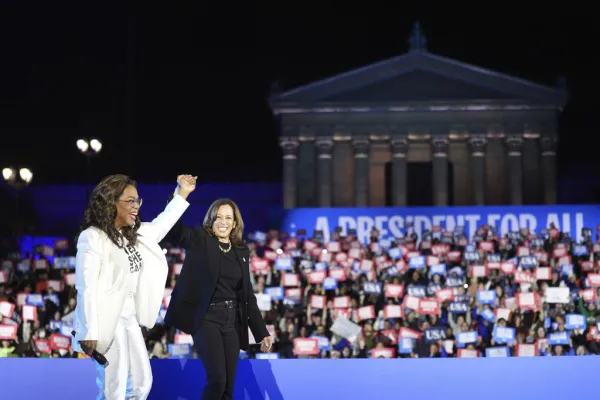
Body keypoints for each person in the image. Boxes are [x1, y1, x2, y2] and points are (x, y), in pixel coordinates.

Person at [71, 174, 197, 400]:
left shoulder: (134, 235)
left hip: (130, 319)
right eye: (130, 201)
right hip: (106, 322)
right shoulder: (92, 237)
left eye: (138, 201)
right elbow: (85, 286)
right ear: (111, 202)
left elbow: (162, 223)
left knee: (142, 384)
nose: (136, 206)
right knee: (114, 389)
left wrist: (183, 192)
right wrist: (89, 330)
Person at [164, 189, 272, 400]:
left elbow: (247, 295)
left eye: (228, 218)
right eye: (219, 217)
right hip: (207, 320)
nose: (223, 222)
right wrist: (180, 196)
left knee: (228, 387)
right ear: (211, 220)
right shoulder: (200, 240)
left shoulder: (241, 251)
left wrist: (261, 332)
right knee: (217, 380)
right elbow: (174, 230)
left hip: (232, 322)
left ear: (235, 223)